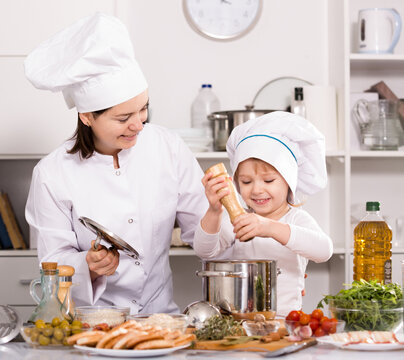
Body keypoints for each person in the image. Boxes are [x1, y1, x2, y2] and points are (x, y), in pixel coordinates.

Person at [24, 12, 207, 314]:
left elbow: (204, 236)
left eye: (143, 109)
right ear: (87, 116)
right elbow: (52, 263)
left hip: (161, 317)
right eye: (123, 118)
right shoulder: (52, 173)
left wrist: (216, 209)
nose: (138, 125)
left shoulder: (167, 148)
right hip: (93, 321)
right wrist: (89, 266)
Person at [193, 111, 333, 316]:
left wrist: (268, 227)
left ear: (288, 181)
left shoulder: (295, 218)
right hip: (240, 320)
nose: (257, 190)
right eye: (247, 182)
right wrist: (214, 210)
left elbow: (324, 251)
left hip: (285, 321)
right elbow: (205, 251)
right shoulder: (239, 220)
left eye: (268, 181)